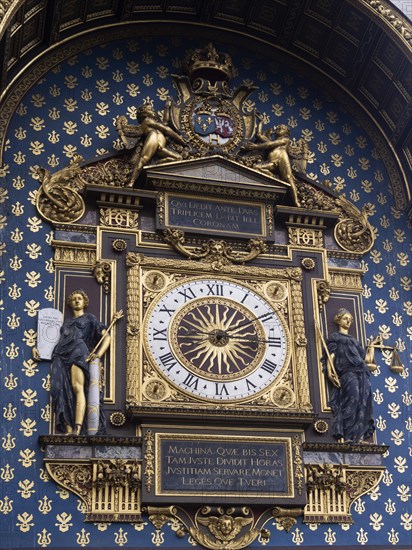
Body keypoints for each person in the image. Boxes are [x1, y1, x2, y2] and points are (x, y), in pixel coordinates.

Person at [49, 290, 110, 435]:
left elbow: (107, 337)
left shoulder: (90, 318)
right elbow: (50, 342)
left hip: (78, 352)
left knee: (77, 387)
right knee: (60, 389)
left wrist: (97, 355)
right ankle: (68, 426)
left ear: (84, 302)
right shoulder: (66, 322)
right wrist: (39, 351)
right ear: (70, 303)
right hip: (60, 355)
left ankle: (77, 427)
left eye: (80, 299)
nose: (77, 301)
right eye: (74, 299)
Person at [323, 308, 375, 444]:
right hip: (348, 373)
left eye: (350, 319)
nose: (348, 321)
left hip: (363, 372)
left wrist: (372, 347)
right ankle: (348, 436)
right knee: (352, 400)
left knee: (363, 403)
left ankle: (359, 437)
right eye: (346, 318)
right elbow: (331, 356)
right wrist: (330, 372)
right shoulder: (335, 337)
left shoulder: (354, 340)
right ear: (338, 320)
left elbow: (367, 359)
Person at [116, 103, 186, 187]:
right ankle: (131, 181)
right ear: (144, 114)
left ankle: (153, 165)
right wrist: (182, 141)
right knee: (143, 159)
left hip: (160, 147)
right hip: (153, 138)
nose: (153, 110)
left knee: (178, 158)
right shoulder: (147, 120)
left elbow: (165, 123)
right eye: (149, 109)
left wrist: (167, 108)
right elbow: (166, 129)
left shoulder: (154, 122)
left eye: (152, 109)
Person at [245, 118, 300, 206]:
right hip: (272, 163)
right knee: (255, 168)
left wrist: (255, 147)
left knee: (289, 179)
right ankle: (274, 178)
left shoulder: (285, 140)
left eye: (281, 129)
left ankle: (296, 201)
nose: (278, 130)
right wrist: (261, 122)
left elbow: (270, 145)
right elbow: (259, 135)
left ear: (286, 133)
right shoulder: (272, 141)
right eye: (278, 128)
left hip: (282, 161)